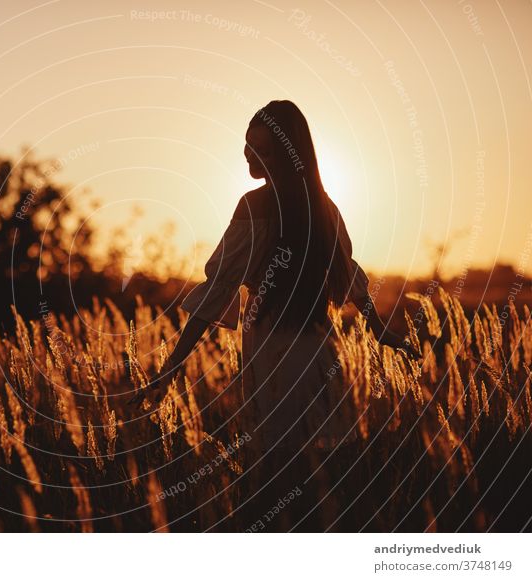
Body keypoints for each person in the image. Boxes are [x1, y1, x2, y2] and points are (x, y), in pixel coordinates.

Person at [130, 100, 416, 457]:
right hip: (319, 349)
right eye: (249, 146)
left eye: (263, 150)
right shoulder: (322, 205)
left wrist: (171, 367)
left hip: (271, 348)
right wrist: (379, 329)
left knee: (277, 459)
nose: (251, 157)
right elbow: (352, 275)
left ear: (287, 154)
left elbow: (218, 288)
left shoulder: (254, 206)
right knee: (322, 461)